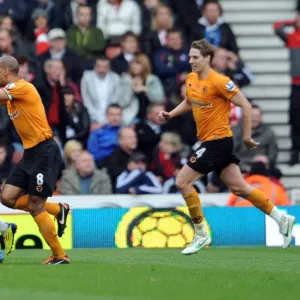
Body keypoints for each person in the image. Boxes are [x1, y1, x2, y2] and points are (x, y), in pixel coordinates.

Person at [157, 39, 296, 255]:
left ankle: (201, 233)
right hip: (210, 142)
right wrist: (170, 114)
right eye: (190, 56)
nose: (191, 61)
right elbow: (189, 101)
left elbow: (246, 105)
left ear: (207, 59)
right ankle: (282, 218)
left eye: (195, 57)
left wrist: (247, 137)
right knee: (240, 188)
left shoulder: (220, 81)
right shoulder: (191, 80)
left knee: (182, 182)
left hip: (218, 141)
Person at [0, 56, 70, 264]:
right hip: (31, 154)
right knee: (7, 197)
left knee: (35, 205)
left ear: (5, 71)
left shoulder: (22, 87)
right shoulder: (12, 93)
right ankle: (58, 210)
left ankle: (60, 255)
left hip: (44, 152)